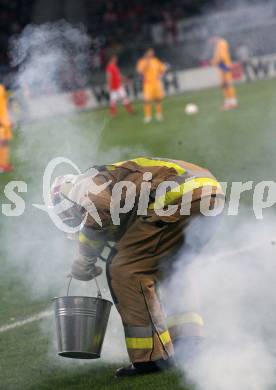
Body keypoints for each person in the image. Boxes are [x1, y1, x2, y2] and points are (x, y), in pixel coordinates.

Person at [51, 157, 225, 377]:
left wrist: (85, 258)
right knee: (172, 268)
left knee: (124, 269)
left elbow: (100, 209)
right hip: (211, 195)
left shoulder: (79, 185)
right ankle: (187, 338)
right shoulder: (112, 178)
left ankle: (151, 356)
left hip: (178, 197)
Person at [136, 49, 167, 123]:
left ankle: (159, 114)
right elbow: (139, 71)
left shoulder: (156, 60)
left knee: (158, 99)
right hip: (147, 84)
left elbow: (163, 68)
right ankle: (148, 116)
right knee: (147, 100)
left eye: (152, 53)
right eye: (149, 53)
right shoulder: (142, 61)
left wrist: (160, 75)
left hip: (156, 83)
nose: (151, 54)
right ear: (146, 54)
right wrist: (147, 62)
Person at [210, 36, 238, 110]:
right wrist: (214, 61)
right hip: (222, 66)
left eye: (212, 39)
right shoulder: (219, 45)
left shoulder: (221, 44)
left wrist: (219, 63)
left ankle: (232, 103)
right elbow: (218, 56)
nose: (211, 41)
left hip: (224, 66)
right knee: (224, 85)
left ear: (215, 37)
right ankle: (228, 102)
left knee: (227, 85)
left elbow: (222, 56)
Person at [0, 83, 13, 173]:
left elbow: (5, 103)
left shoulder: (1, 88)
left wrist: (9, 118)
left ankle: (3, 164)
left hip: (5, 120)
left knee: (5, 142)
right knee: (1, 141)